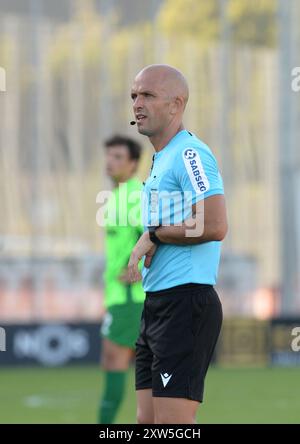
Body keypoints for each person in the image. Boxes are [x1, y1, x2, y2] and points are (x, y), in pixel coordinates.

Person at [127, 64, 228, 424]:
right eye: (135, 95)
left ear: (176, 104)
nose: (137, 103)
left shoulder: (190, 154)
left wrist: (153, 235)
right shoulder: (161, 158)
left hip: (185, 305)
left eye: (148, 95)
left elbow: (215, 224)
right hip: (157, 305)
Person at [98, 135, 145, 424]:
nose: (110, 162)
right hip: (119, 296)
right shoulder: (117, 196)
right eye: (109, 155)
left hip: (132, 298)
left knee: (117, 361)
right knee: (132, 365)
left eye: (118, 157)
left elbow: (153, 233)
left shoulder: (135, 195)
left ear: (133, 164)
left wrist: (136, 267)